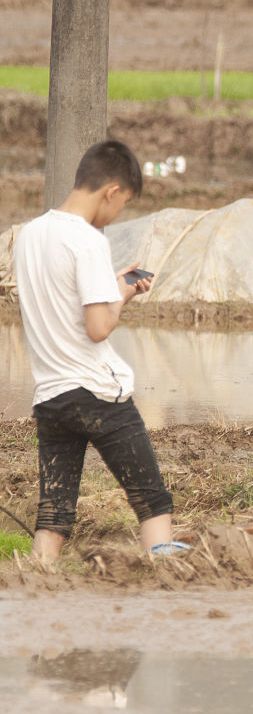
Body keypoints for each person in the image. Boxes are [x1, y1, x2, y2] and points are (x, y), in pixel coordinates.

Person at [13, 140, 186, 562]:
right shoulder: (88, 240)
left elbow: (62, 295)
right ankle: (166, 579)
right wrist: (123, 294)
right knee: (152, 499)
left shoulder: (30, 234)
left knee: (54, 512)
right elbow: (97, 327)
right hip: (96, 394)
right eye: (122, 204)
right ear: (111, 191)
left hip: (51, 396)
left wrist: (110, 283)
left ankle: (36, 581)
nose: (116, 214)